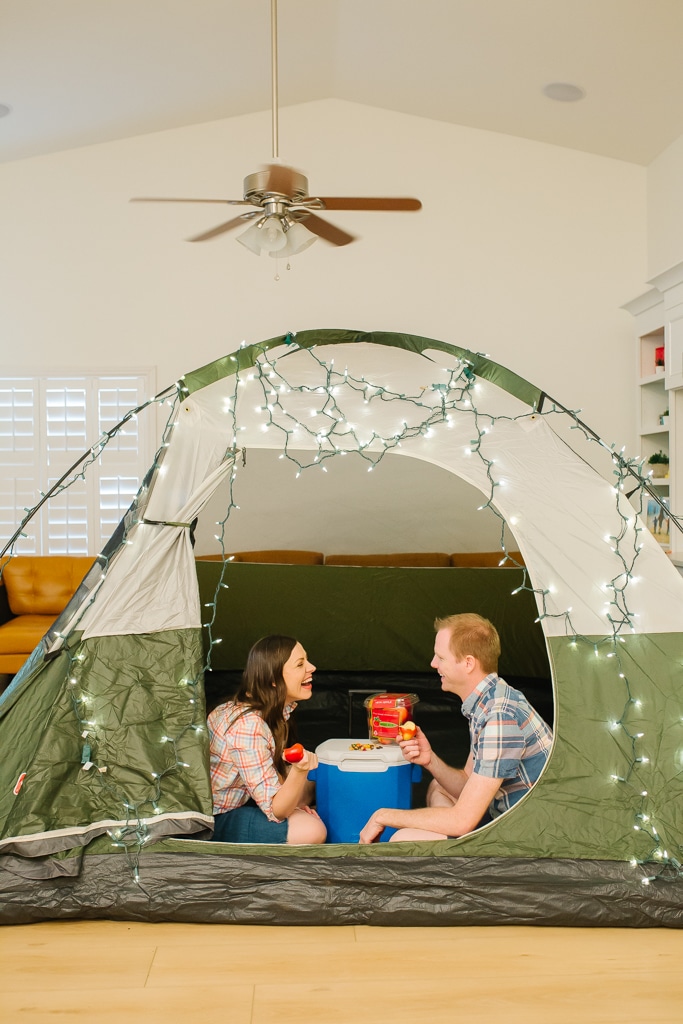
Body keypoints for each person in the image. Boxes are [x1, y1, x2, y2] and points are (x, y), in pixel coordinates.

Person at [359, 612, 552, 844]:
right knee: (438, 787)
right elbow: (466, 782)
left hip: (528, 835)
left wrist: (383, 816)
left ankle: (461, 860)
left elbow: (463, 820)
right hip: (505, 816)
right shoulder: (489, 699)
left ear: (468, 663)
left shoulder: (500, 718)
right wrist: (430, 760)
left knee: (404, 839)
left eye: (441, 657)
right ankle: (453, 851)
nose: (433, 663)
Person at [208, 634, 327, 845]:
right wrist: (298, 773)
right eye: (300, 664)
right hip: (218, 818)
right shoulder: (247, 726)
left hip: (249, 797)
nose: (312, 667)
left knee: (315, 776)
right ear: (273, 680)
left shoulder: (271, 709)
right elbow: (276, 811)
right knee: (311, 829)